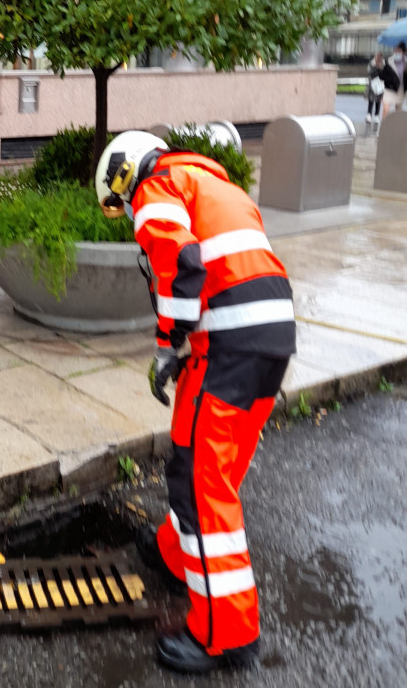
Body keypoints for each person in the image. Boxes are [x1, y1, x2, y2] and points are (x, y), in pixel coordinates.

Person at [95, 132, 296, 674]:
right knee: (199, 456)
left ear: (124, 172)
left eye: (119, 199)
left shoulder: (157, 186)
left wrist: (166, 343)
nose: (126, 210)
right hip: (265, 339)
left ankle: (226, 636)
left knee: (207, 486)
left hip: (228, 344)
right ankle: (173, 553)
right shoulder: (210, 183)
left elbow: (179, 256)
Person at [381, 41, 407, 120]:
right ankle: (384, 127)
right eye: (395, 51)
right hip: (389, 88)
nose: (396, 53)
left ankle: (397, 128)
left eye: (399, 51)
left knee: (398, 110)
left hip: (401, 89)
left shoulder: (406, 62)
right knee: (385, 109)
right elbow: (383, 76)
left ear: (403, 52)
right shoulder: (388, 62)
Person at [366, 51, 385, 131]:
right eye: (377, 56)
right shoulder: (372, 63)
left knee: (378, 100)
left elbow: (385, 74)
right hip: (372, 84)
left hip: (380, 84)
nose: (378, 58)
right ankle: (369, 114)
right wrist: (376, 68)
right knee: (371, 100)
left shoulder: (383, 64)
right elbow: (369, 72)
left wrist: (381, 69)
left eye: (379, 57)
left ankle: (376, 115)